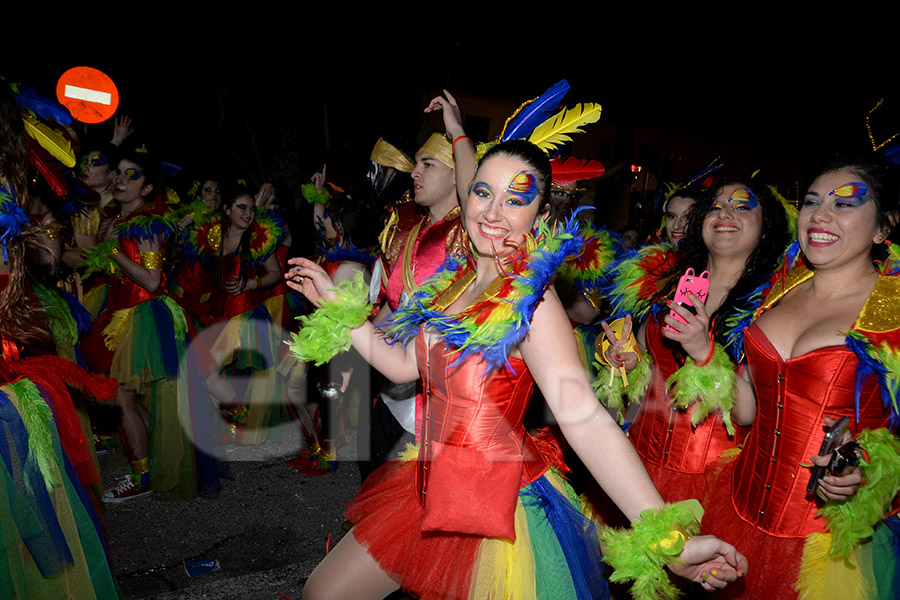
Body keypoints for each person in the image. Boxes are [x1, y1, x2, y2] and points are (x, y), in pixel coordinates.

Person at [286, 135, 748, 600]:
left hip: (495, 509)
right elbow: (406, 366)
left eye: (515, 199)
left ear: (541, 217)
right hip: (425, 483)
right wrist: (337, 305)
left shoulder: (533, 303)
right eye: (484, 192)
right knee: (322, 592)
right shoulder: (453, 282)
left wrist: (668, 539)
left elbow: (584, 420)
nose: (492, 212)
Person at [699, 155, 900, 599]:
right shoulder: (779, 287)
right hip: (740, 511)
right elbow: (747, 409)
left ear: (883, 228)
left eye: (844, 204)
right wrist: (700, 351)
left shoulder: (895, 310)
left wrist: (872, 475)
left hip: (833, 549)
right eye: (812, 202)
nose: (821, 216)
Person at [598, 172, 790, 503]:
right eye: (715, 207)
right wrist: (626, 359)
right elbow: (643, 356)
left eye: (741, 207)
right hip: (636, 466)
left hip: (707, 490)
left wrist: (704, 351)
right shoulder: (669, 282)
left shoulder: (772, 303)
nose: (725, 214)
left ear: (766, 226)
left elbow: (748, 413)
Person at [79, 148, 197, 502]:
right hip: (119, 314)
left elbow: (151, 280)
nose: (119, 180)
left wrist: (113, 250)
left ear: (147, 189)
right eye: (119, 172)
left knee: (121, 397)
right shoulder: (121, 222)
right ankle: (150, 460)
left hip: (142, 316)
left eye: (132, 175)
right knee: (122, 398)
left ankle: (142, 473)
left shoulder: (148, 227)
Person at [360, 127, 467, 481]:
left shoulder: (470, 238)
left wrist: (457, 130)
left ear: (457, 175)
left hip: (435, 403)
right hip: (392, 389)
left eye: (428, 164)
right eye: (415, 164)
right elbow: (396, 305)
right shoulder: (409, 230)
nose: (414, 172)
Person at [201, 185, 285, 447]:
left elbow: (275, 274)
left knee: (208, 374)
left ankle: (241, 415)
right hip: (219, 314)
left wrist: (252, 284)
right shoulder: (214, 238)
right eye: (242, 207)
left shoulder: (257, 240)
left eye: (251, 208)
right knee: (213, 375)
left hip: (245, 316)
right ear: (226, 210)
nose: (248, 213)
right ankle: (219, 431)